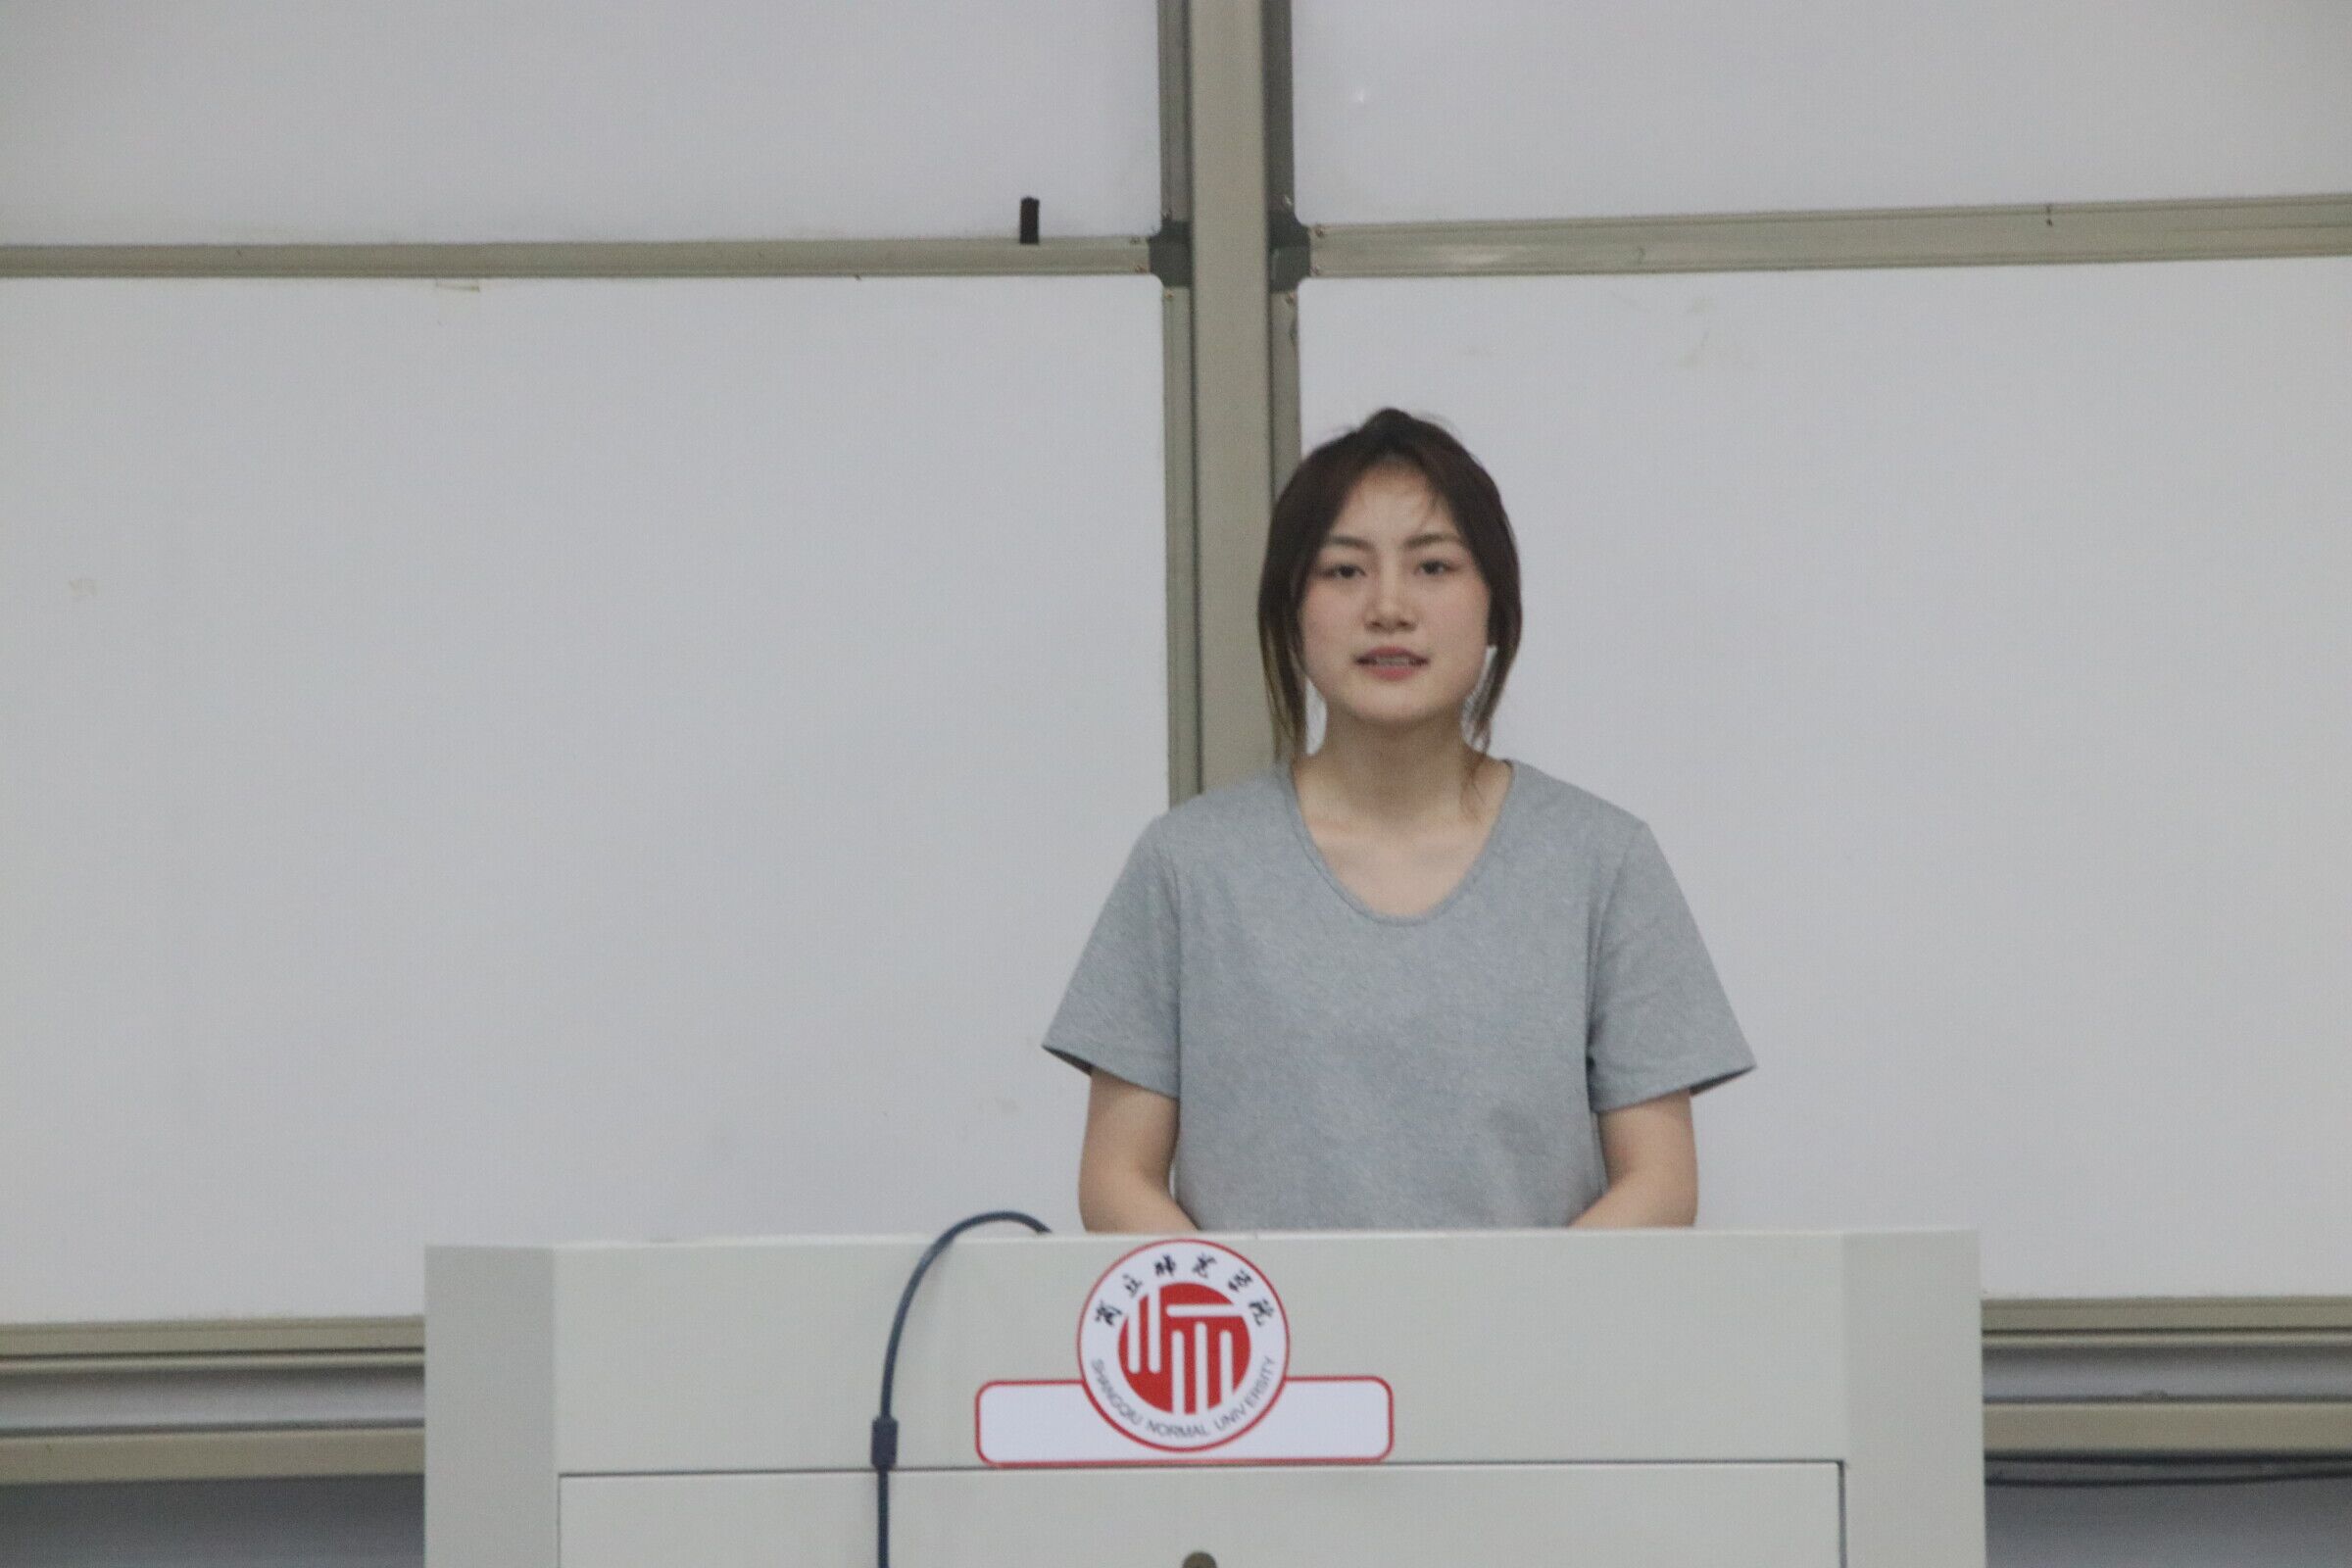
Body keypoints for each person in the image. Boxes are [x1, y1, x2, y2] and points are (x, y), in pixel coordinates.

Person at [1041, 407, 1754, 1234]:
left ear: (1495, 606)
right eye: (1344, 570)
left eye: (1433, 566)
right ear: (1291, 608)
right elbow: (1117, 1178)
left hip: (1527, 1324)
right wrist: (1259, 1315)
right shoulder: (1187, 865)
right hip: (1274, 1328)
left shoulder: (1602, 861)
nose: (1388, 607)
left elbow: (1660, 1184)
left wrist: (1510, 1308)